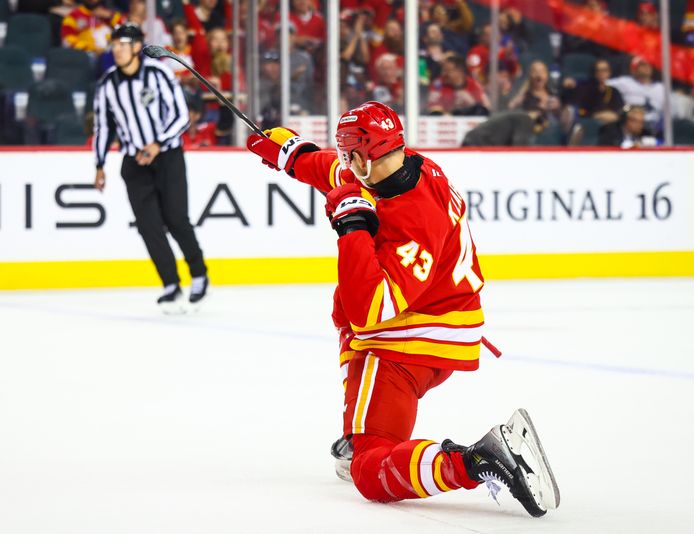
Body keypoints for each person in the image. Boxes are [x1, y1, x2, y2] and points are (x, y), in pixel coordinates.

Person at [245, 101, 560, 516]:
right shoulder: (402, 164)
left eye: (348, 153)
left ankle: (472, 461)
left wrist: (352, 229)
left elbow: (371, 311)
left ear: (362, 154)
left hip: (407, 342)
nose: (344, 161)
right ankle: (362, 431)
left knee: (370, 471)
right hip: (444, 328)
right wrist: (295, 155)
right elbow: (338, 173)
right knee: (344, 314)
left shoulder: (413, 220)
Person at [93, 23, 208, 312]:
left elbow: (181, 116)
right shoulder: (108, 83)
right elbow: (103, 125)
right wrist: (99, 163)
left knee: (176, 219)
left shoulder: (159, 73)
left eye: (123, 44)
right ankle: (170, 283)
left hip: (167, 157)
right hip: (134, 162)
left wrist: (158, 143)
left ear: (135, 47)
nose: (117, 49)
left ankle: (198, 273)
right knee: (148, 226)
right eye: (114, 45)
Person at [462, 109, 548, 146]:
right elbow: (519, 147)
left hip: (474, 140)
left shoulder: (518, 116)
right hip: (477, 144)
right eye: (542, 128)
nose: (540, 132)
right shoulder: (526, 120)